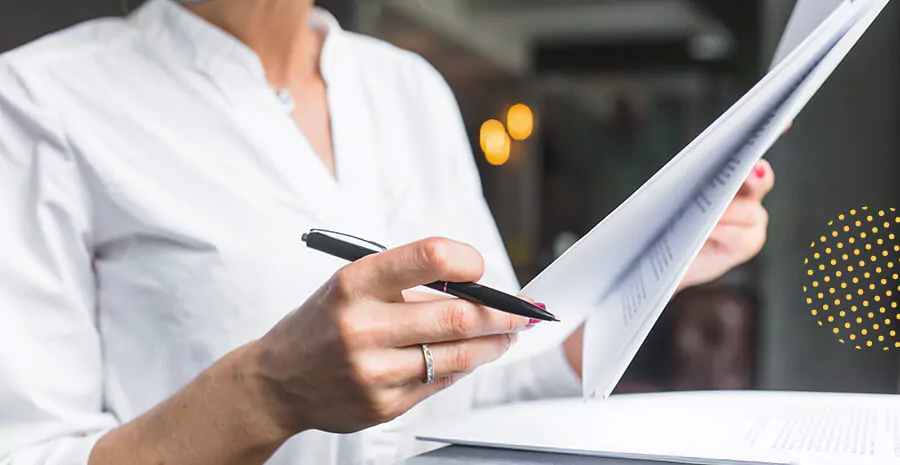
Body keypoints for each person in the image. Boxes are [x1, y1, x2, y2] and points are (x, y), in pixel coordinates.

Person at [0, 0, 775, 464]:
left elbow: (486, 378)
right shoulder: (41, 101)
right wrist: (267, 392)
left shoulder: (406, 85)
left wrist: (648, 268)